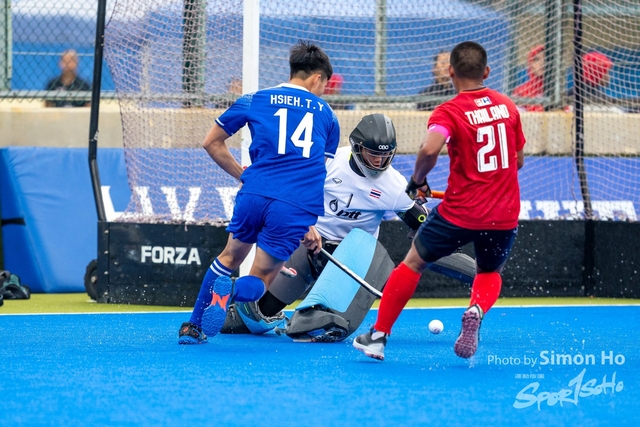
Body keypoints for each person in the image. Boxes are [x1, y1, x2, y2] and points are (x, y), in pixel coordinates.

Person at [220, 114, 477, 342]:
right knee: (245, 321)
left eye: (385, 156)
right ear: (356, 148)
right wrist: (304, 224)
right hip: (310, 247)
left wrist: (478, 273)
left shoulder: (395, 186)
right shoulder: (327, 162)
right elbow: (288, 193)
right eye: (373, 155)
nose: (379, 162)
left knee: (313, 324)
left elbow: (427, 232)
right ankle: (230, 297)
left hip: (352, 261)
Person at [353, 41, 526, 361]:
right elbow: (518, 162)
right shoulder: (508, 106)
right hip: (504, 213)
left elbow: (430, 149)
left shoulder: (450, 110)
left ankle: (378, 336)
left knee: (413, 263)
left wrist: (418, 179)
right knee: (489, 271)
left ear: (450, 72)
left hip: (460, 212)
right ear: (487, 71)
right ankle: (476, 309)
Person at [178, 40, 340, 344]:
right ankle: (230, 293)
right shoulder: (328, 116)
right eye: (324, 85)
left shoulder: (255, 99)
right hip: (293, 204)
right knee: (263, 278)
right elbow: (318, 173)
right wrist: (307, 223)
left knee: (228, 257)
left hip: (254, 194)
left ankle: (192, 328)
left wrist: (244, 177)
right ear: (317, 78)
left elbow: (211, 142)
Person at [512, 45, 545, 112]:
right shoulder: (520, 91)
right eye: (536, 59)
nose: (542, 63)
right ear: (530, 63)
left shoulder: (556, 92)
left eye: (545, 59)